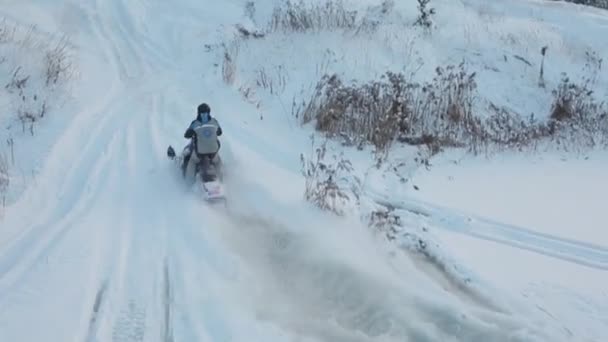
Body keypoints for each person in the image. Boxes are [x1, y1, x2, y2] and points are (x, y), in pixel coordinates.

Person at [181, 103, 223, 181]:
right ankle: (221, 179)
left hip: (200, 154)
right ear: (209, 112)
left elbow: (186, 135)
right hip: (213, 153)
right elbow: (220, 132)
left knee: (192, 162)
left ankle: (188, 182)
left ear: (198, 113)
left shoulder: (195, 123)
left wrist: (191, 132)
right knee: (218, 162)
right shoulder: (214, 121)